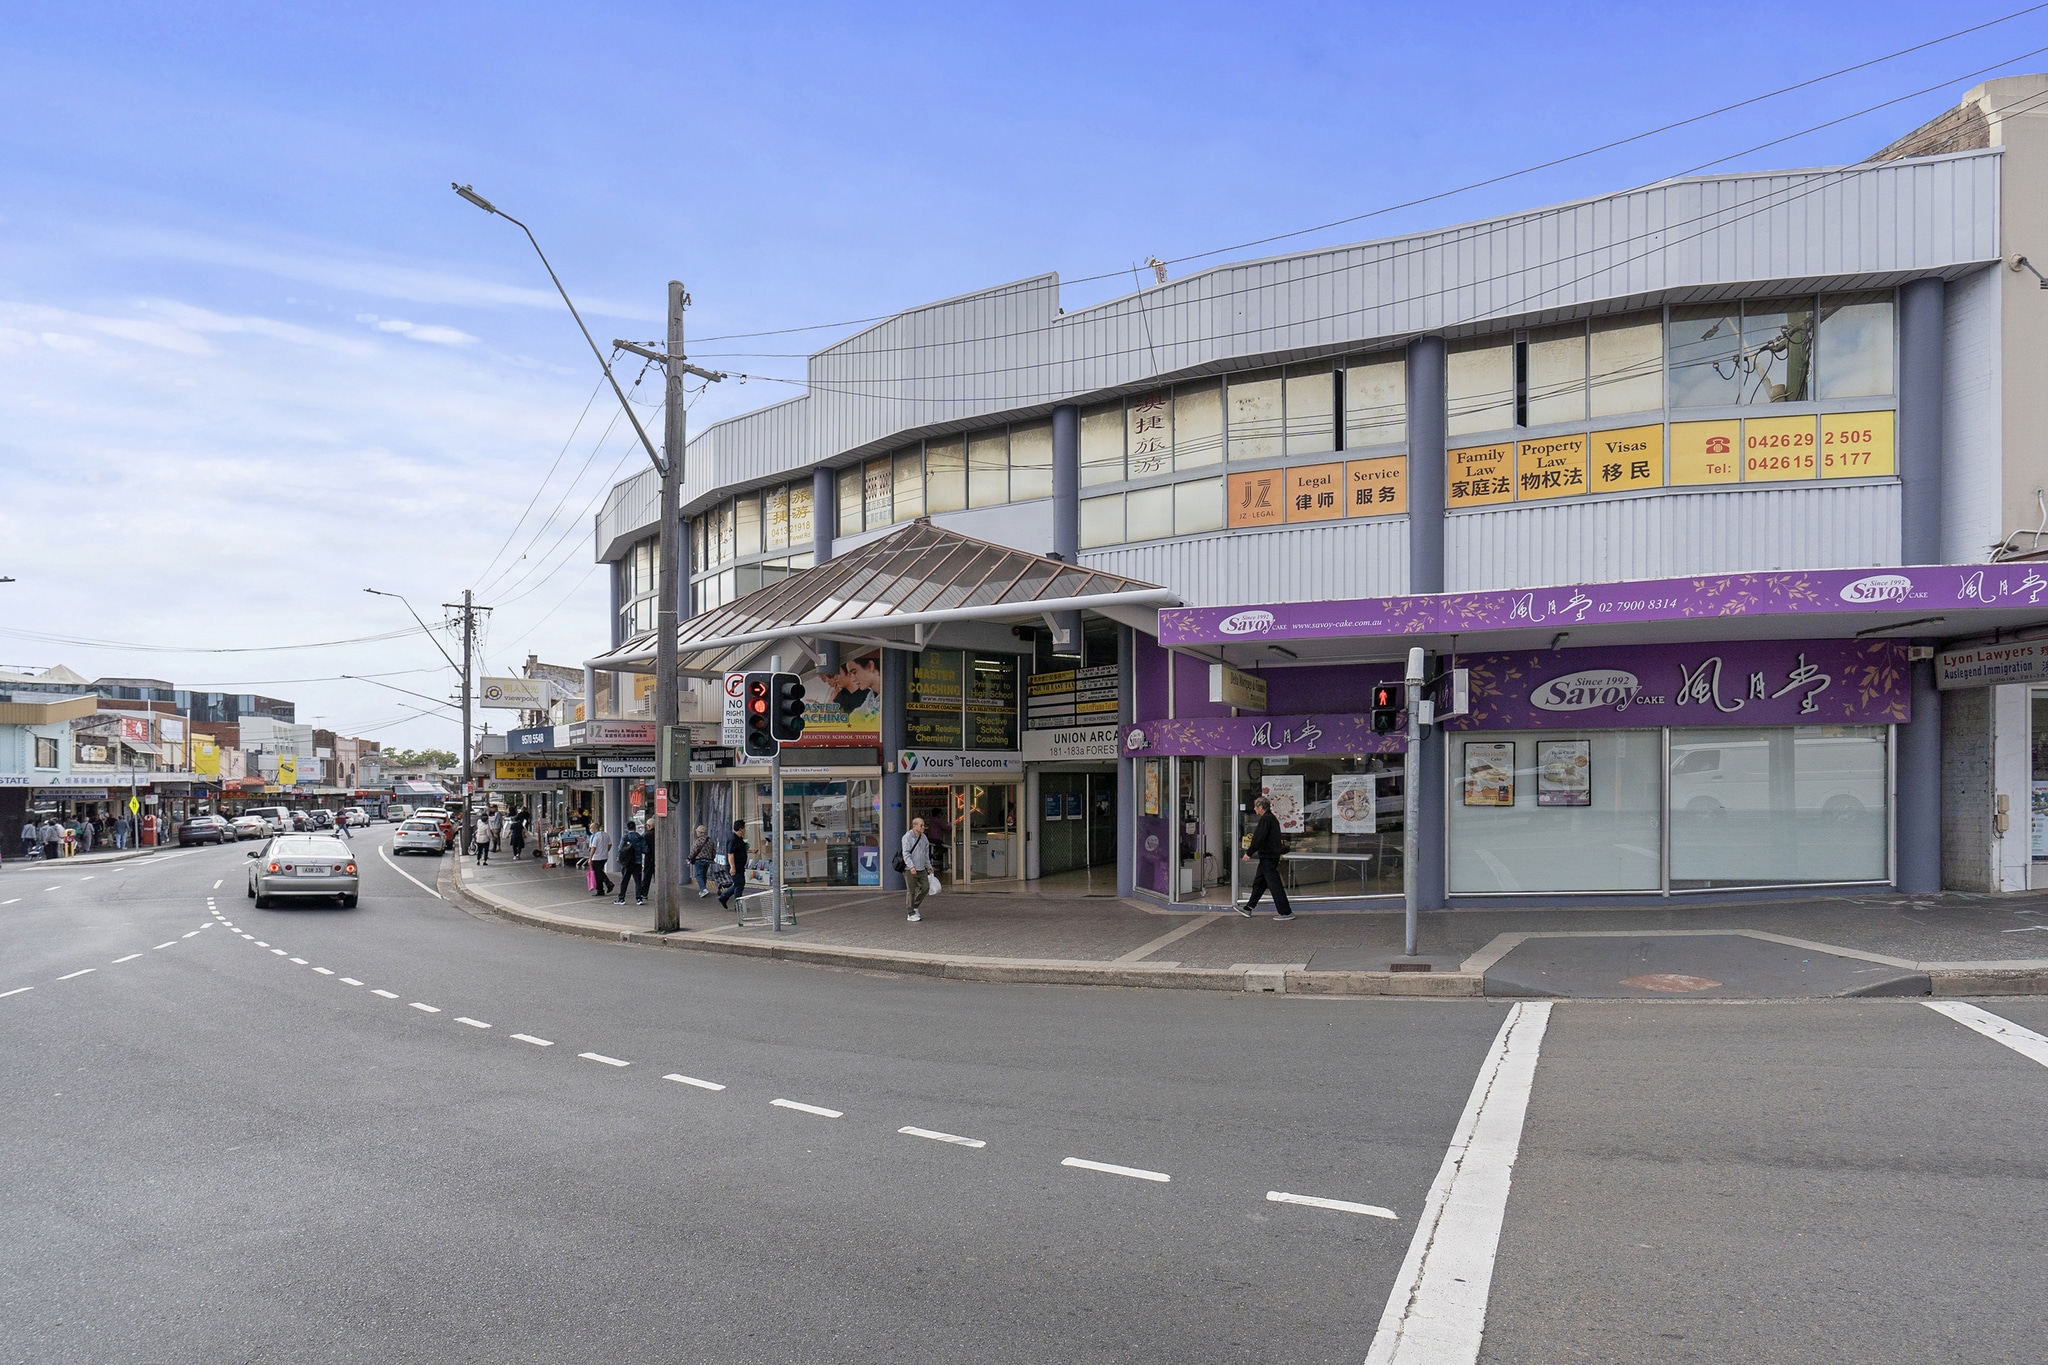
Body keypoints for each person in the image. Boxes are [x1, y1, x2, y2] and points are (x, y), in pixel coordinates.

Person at [1239, 796, 1294, 921]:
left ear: (1260, 807)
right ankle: (1248, 908)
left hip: (1268, 857)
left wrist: (1249, 853)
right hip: (1269, 856)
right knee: (1259, 883)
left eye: (1255, 807)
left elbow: (1258, 838)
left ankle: (1286, 912)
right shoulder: (1271, 819)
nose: (1254, 809)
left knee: (1275, 885)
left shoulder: (1266, 819)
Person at [900, 815, 933, 922]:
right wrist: (911, 866)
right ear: (914, 826)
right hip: (910, 869)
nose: (923, 827)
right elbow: (906, 853)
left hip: (921, 868)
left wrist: (929, 866)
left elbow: (925, 854)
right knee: (911, 891)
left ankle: (915, 906)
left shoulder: (924, 837)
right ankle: (910, 913)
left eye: (924, 825)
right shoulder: (907, 837)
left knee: (925, 887)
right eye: (921, 825)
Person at [616, 820, 651, 906]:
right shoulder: (640, 837)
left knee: (624, 881)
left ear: (627, 828)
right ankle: (639, 898)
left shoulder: (625, 837)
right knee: (638, 881)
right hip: (637, 862)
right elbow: (645, 850)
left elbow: (620, 849)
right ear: (635, 827)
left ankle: (621, 898)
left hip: (627, 863)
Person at [717, 818, 749, 911]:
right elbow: (730, 854)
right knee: (739, 885)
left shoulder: (739, 839)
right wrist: (732, 867)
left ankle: (724, 897)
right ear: (740, 829)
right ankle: (737, 906)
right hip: (735, 866)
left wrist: (750, 851)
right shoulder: (733, 839)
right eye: (744, 828)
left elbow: (739, 850)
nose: (745, 830)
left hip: (740, 866)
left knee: (738, 884)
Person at [588, 824, 615, 898]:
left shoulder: (595, 836)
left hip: (596, 857)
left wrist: (590, 858)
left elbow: (593, 848)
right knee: (599, 872)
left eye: (591, 828)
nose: (590, 830)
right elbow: (610, 844)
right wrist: (606, 851)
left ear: (594, 828)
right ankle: (608, 884)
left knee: (598, 875)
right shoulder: (606, 834)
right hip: (604, 857)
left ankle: (601, 889)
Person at [688, 825, 716, 897]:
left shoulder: (698, 840)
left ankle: (703, 889)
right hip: (708, 860)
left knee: (699, 875)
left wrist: (689, 858)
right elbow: (714, 850)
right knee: (704, 875)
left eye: (697, 832)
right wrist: (712, 858)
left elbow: (694, 850)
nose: (696, 833)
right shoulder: (710, 840)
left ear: (700, 832)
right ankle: (702, 890)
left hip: (699, 860)